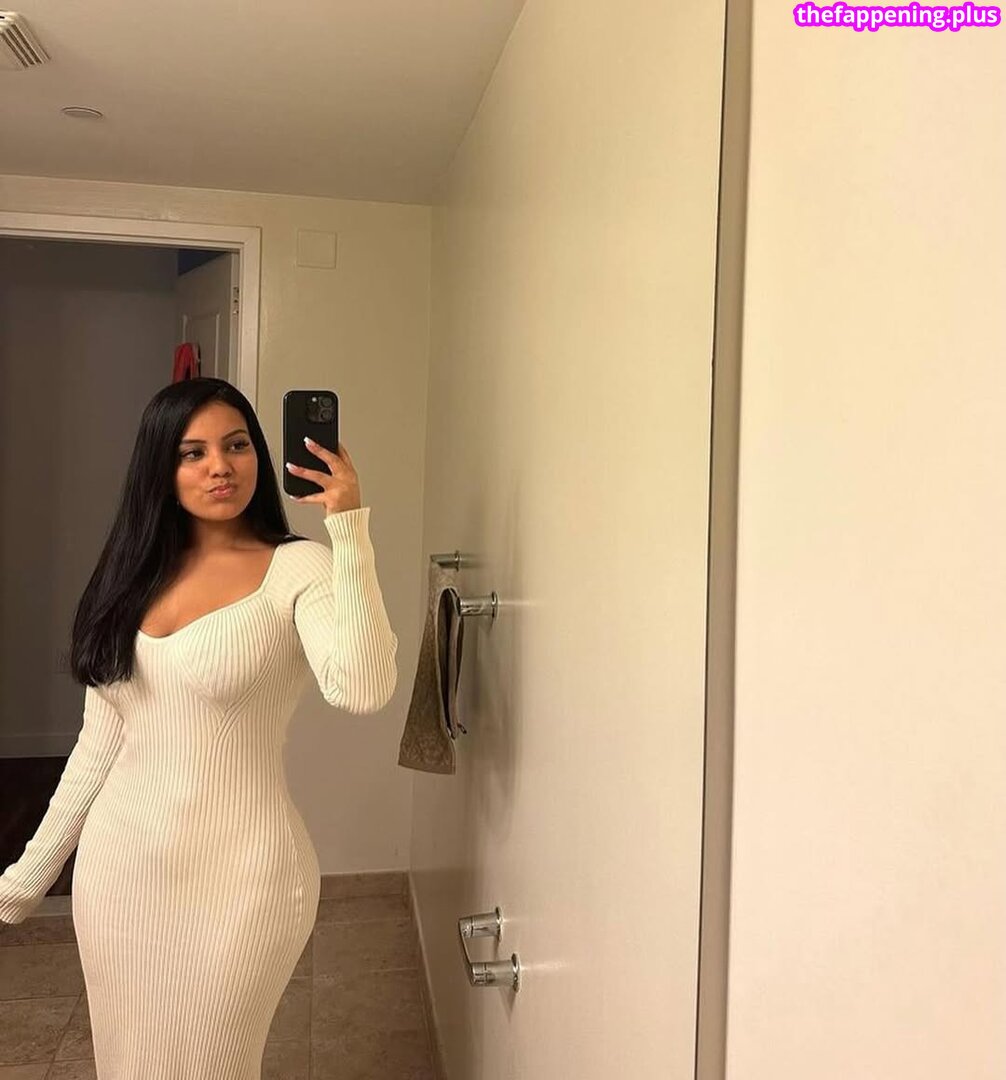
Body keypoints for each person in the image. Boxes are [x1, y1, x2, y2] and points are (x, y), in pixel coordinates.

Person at [0, 377, 399, 1078]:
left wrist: (350, 530)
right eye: (194, 453)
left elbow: (363, 689)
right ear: (161, 467)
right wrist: (27, 878)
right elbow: (100, 744)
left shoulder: (298, 568)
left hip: (244, 883)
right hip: (119, 874)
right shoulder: (131, 577)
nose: (221, 466)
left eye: (237, 446)